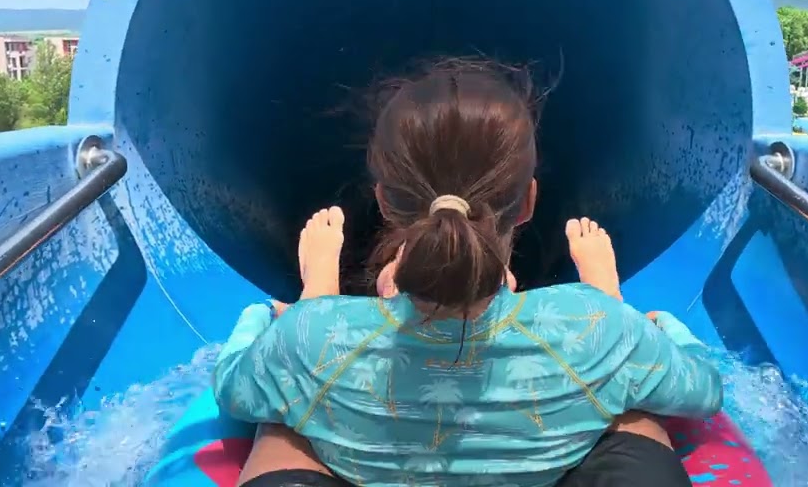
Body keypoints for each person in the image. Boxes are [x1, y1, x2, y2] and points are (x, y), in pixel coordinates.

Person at [213, 59, 723, 487]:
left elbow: (232, 386)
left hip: (335, 377)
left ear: (385, 202)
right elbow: (703, 391)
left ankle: (320, 290)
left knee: (284, 423)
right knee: (631, 401)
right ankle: (605, 308)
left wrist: (282, 312)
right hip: (573, 382)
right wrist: (640, 319)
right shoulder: (595, 325)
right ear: (527, 202)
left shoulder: (309, 339)